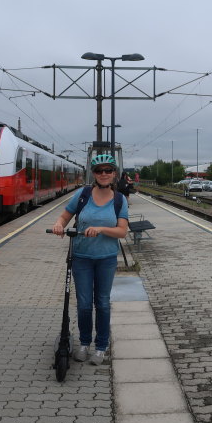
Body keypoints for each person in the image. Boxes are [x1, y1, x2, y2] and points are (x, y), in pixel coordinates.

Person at [51, 154, 129, 365]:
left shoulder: (120, 200)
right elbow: (65, 216)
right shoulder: (83, 195)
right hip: (82, 258)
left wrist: (101, 229)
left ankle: (101, 347)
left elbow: (122, 232)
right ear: (93, 174)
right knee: (84, 304)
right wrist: (59, 225)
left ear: (114, 173)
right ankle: (85, 343)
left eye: (108, 170)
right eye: (99, 171)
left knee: (102, 303)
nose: (103, 174)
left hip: (106, 259)